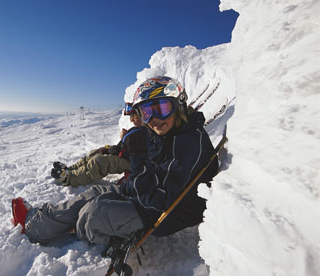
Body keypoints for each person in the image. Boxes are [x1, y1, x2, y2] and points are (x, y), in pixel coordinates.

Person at [12, 76, 219, 246]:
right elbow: (150, 174)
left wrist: (138, 159)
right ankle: (35, 225)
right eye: (147, 112)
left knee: (94, 213)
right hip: (144, 195)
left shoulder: (190, 144)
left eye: (162, 108)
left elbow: (158, 203)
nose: (154, 118)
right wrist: (128, 177)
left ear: (179, 105)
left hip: (161, 214)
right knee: (93, 194)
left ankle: (80, 232)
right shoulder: (166, 134)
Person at [50, 106, 143, 187]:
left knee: (100, 161)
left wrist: (119, 151)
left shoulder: (149, 132)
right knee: (98, 151)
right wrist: (112, 149)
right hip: (129, 156)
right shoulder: (139, 129)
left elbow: (142, 156)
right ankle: (69, 170)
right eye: (131, 116)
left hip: (135, 164)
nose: (131, 120)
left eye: (134, 116)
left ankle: (70, 179)